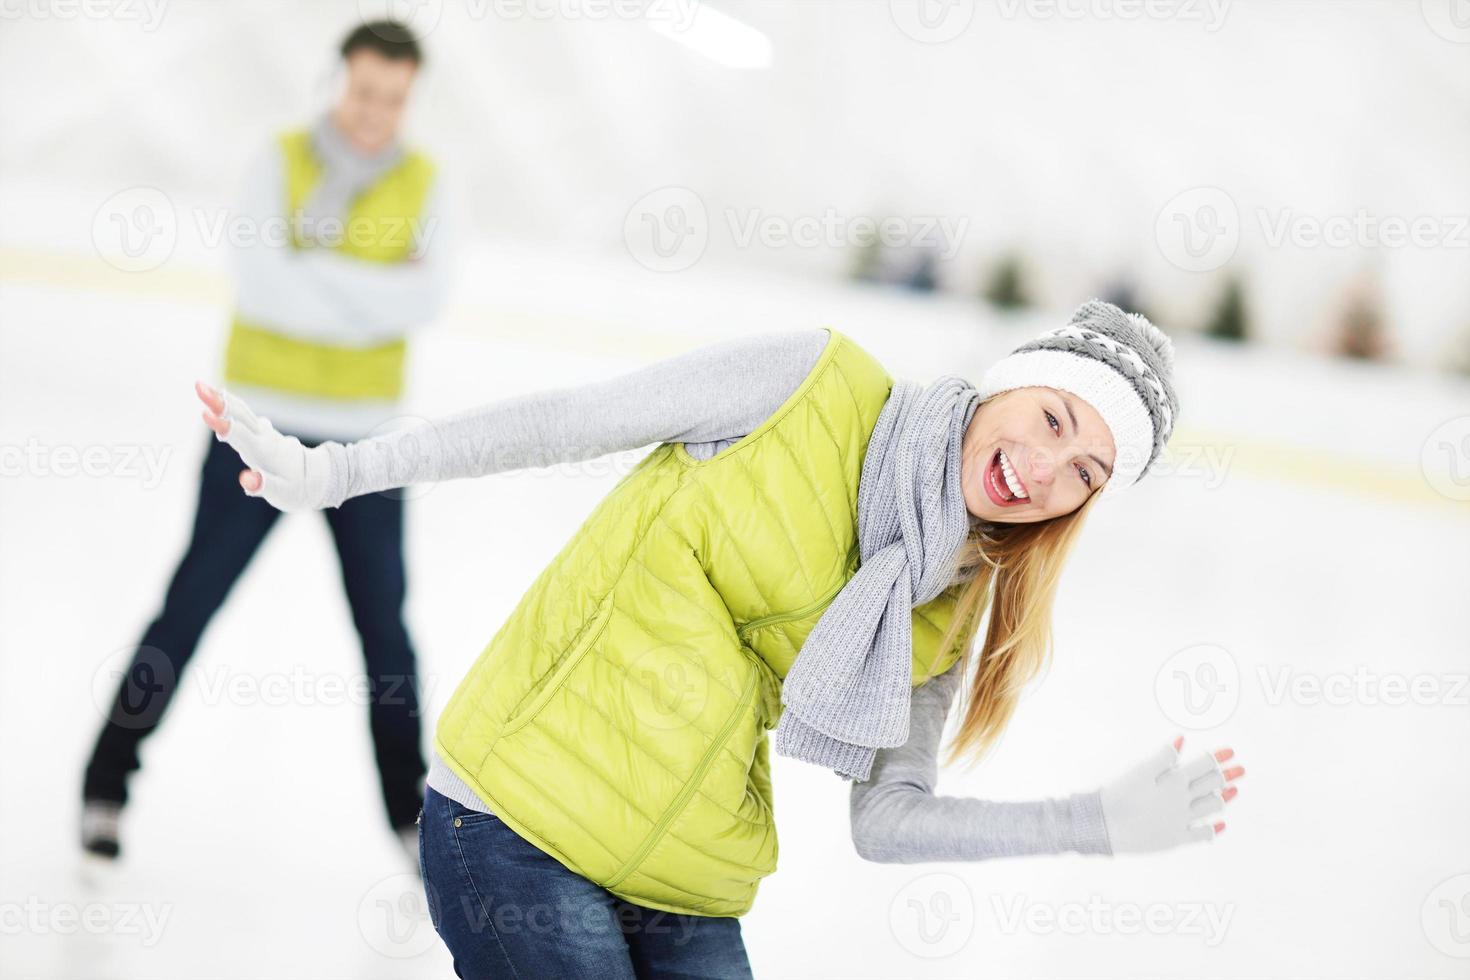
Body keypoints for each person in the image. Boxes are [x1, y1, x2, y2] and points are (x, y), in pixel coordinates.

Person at [199, 301, 1245, 978]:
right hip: (519, 816)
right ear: (1010, 379)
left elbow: (887, 819)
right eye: (1056, 420)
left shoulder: (953, 592)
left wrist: (1090, 821)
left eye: (1086, 473)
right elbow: (568, 419)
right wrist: (333, 473)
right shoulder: (811, 381)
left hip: (690, 879)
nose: (1045, 470)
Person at [82, 19, 454, 866]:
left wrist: (309, 272)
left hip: (365, 448)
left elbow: (424, 300)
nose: (376, 112)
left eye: (394, 98)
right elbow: (261, 282)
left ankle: (412, 816)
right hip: (254, 429)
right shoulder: (277, 159)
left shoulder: (429, 181)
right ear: (339, 82)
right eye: (365, 92)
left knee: (386, 635)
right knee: (190, 604)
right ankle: (106, 783)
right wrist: (367, 289)